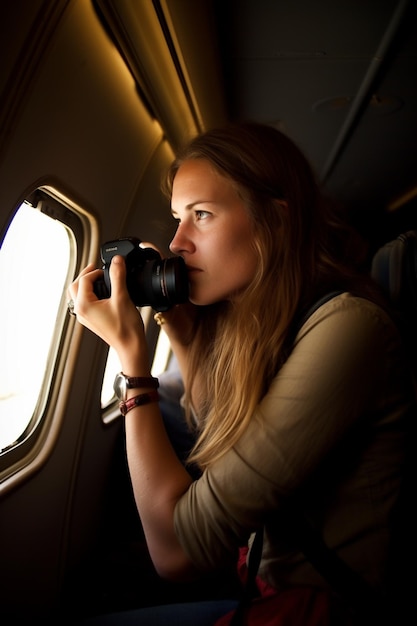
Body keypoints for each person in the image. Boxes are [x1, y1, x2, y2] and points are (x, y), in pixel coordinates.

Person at [68, 122, 414, 625]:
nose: (178, 242)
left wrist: (133, 364)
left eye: (202, 215)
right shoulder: (253, 319)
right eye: (177, 218)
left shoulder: (348, 329)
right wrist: (181, 330)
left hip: (319, 608)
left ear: (275, 222)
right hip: (260, 587)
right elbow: (223, 435)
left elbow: (176, 553)